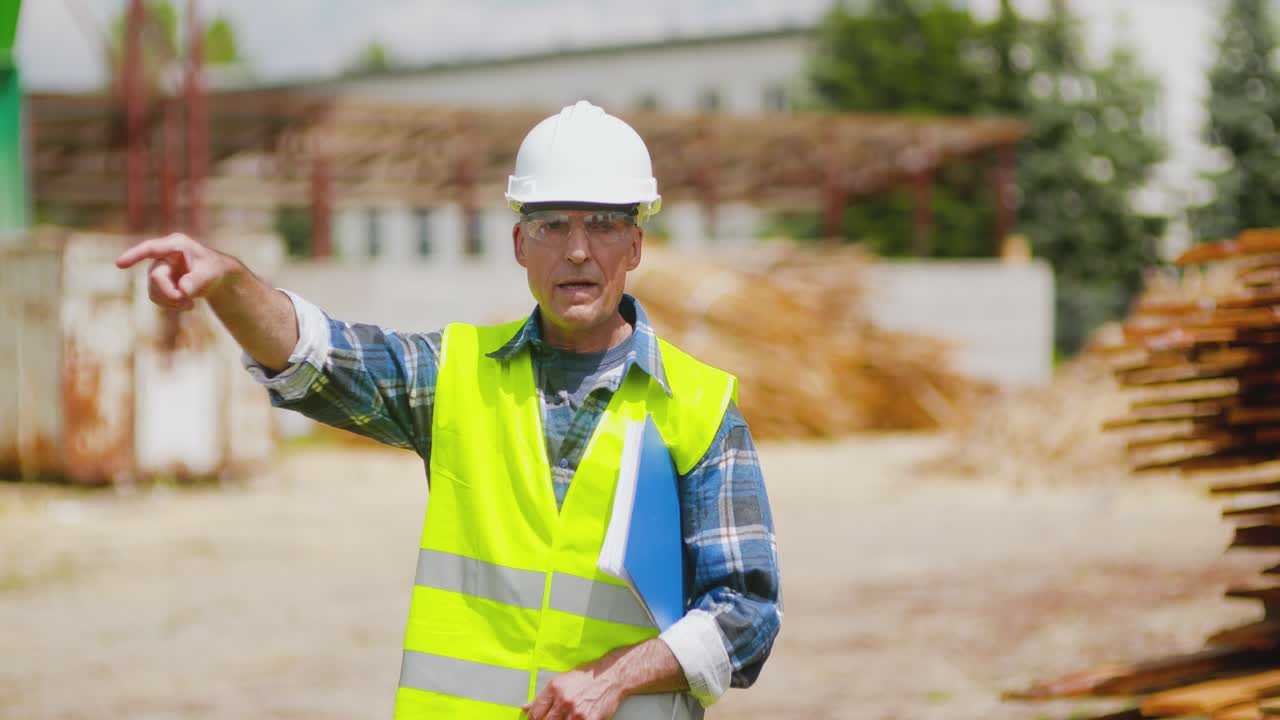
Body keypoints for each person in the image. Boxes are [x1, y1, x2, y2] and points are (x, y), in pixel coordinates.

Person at [117, 100, 781, 720]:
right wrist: (232, 284)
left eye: (603, 224)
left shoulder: (697, 408)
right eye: (552, 224)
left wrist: (614, 677)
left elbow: (745, 615)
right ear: (521, 245)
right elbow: (319, 357)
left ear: (635, 247)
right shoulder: (456, 373)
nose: (577, 249)